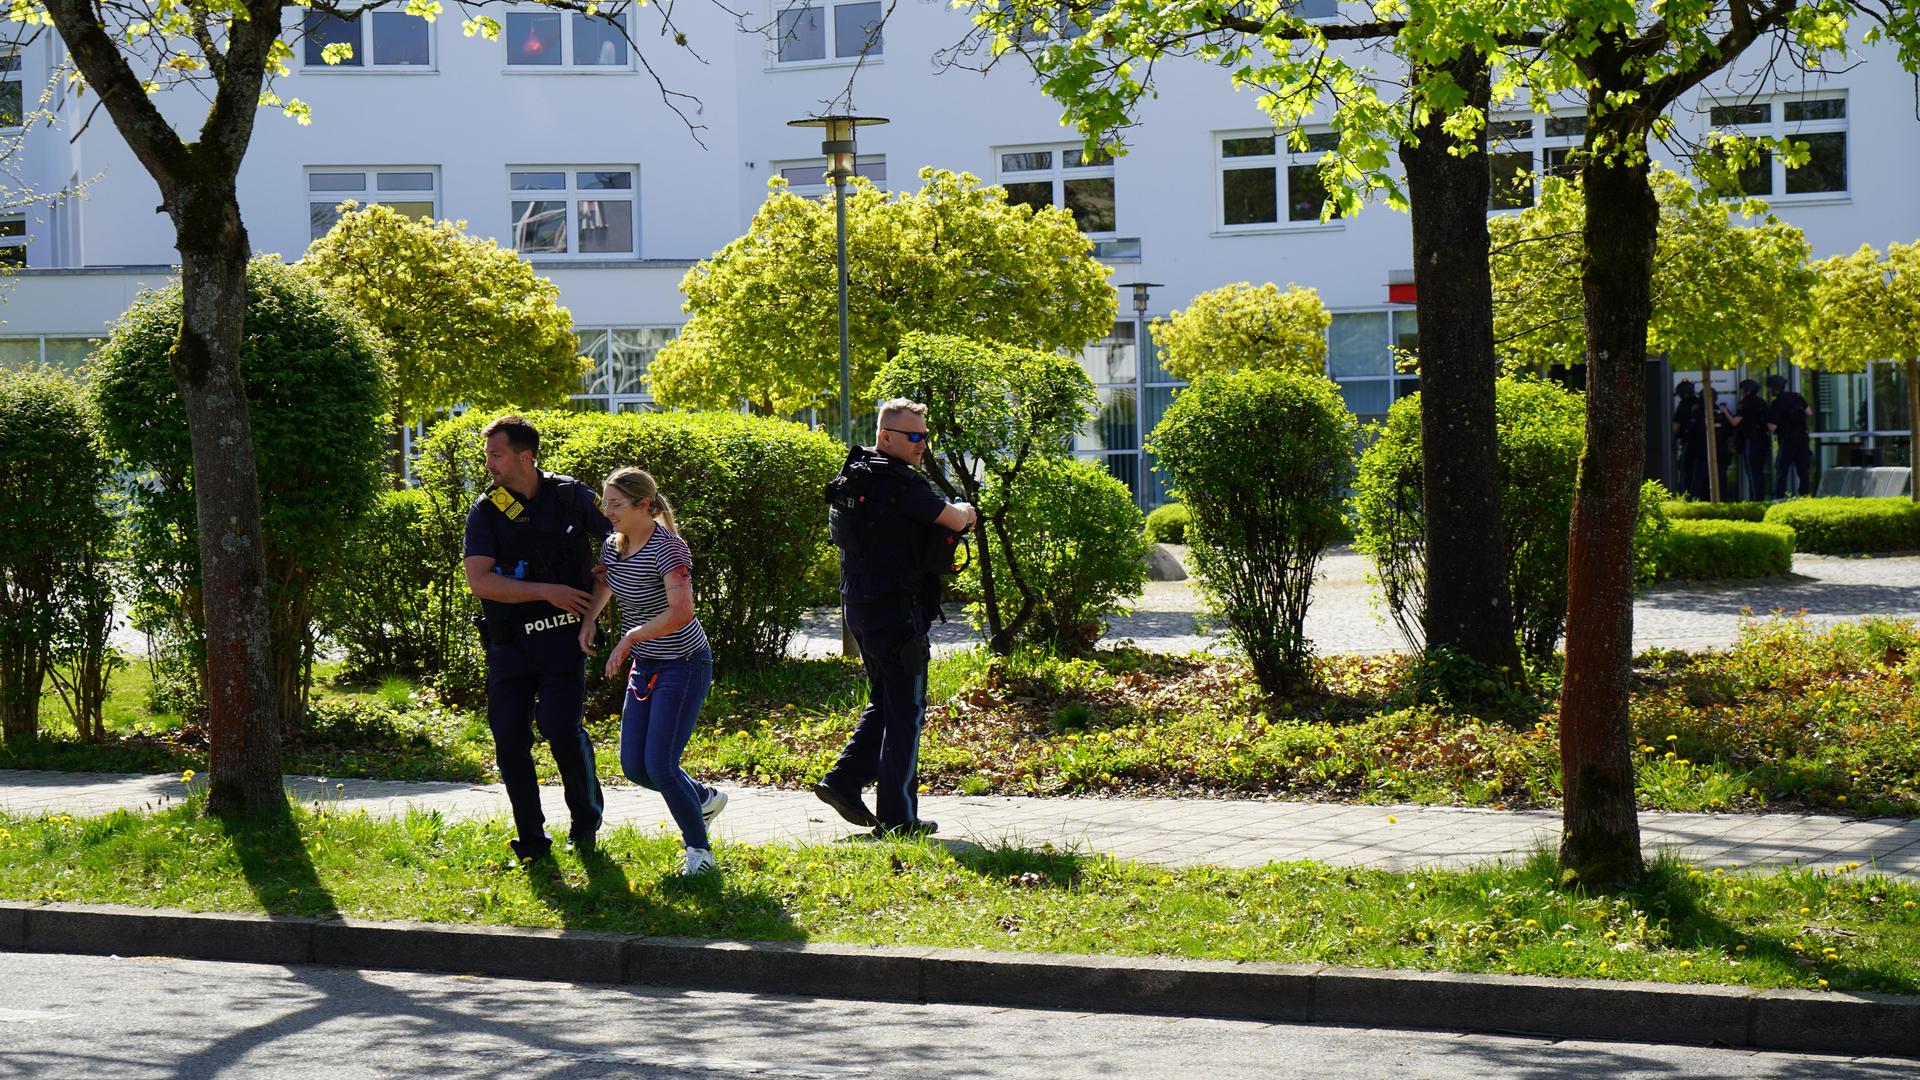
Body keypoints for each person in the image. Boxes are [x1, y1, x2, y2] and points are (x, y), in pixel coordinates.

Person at [814, 399, 976, 837]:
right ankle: (899, 818)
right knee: (907, 710)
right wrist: (965, 509)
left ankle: (844, 782)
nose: (922, 444)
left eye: (925, 436)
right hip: (896, 611)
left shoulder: (857, 474)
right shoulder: (898, 484)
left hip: (861, 606)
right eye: (915, 437)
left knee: (886, 699)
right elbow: (954, 519)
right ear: (886, 437)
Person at [462, 415, 611, 863]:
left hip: (566, 641)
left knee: (561, 730)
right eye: (488, 455)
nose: (489, 463)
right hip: (510, 643)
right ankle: (531, 840)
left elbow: (619, 550)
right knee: (509, 737)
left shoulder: (571, 496)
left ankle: (585, 827)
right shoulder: (488, 510)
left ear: (525, 457)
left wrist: (591, 616)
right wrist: (546, 590)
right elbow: (481, 581)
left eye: (496, 455)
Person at [580, 467, 727, 876]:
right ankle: (702, 798)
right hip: (647, 664)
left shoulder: (669, 549)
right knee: (635, 767)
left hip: (684, 663)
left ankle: (700, 854)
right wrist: (591, 617)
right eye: (604, 502)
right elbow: (609, 582)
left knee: (661, 765)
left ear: (644, 505)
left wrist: (630, 637)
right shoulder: (615, 545)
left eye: (616, 504)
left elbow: (682, 612)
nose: (607, 511)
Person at [1768, 373, 1814, 498]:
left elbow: (1772, 427)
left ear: (1775, 388)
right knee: (1803, 470)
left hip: (1788, 439)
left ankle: (1779, 497)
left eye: (1770, 388)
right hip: (1802, 438)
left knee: (1782, 470)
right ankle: (1805, 496)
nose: (1769, 390)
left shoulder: (1776, 403)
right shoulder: (1797, 397)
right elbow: (1809, 412)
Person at [1728, 378, 1772, 501]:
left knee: (1752, 472)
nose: (1741, 392)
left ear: (1747, 391)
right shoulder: (1762, 402)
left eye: (1742, 390)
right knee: (1759, 471)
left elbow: (1735, 422)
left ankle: (1755, 500)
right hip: (1763, 439)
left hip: (1752, 441)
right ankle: (1760, 498)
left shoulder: (1745, 403)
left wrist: (1725, 411)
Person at [1672, 380, 1709, 500]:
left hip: (1689, 444)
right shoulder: (1701, 402)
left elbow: (1675, 427)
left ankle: (1686, 497)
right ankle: (1700, 497)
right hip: (1704, 443)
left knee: (1686, 472)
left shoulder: (1684, 404)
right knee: (1701, 472)